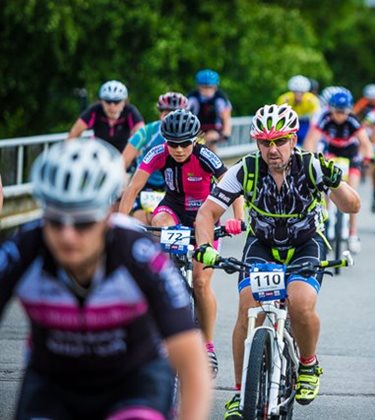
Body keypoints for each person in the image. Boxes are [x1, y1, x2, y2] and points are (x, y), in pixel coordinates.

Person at [0, 139, 211, 419]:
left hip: (134, 382)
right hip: (53, 383)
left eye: (84, 223)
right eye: (54, 221)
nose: (67, 235)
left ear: (107, 217)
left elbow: (191, 362)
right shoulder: (24, 248)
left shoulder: (139, 254)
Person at [193, 104, 361, 419]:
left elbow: (352, 206)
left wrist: (336, 181)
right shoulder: (246, 169)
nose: (273, 149)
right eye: (265, 142)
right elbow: (207, 213)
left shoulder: (311, 166)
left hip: (305, 245)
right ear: (257, 143)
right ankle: (242, 393)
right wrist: (204, 247)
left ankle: (308, 364)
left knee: (300, 303)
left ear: (293, 139)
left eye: (280, 141)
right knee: (247, 307)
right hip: (263, 245)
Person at [119, 109, 244, 378]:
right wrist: (119, 222)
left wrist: (238, 219)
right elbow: (132, 190)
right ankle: (165, 279)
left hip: (204, 216)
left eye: (185, 143)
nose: (178, 149)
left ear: (196, 139)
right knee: (159, 222)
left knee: (200, 282)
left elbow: (233, 187)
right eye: (172, 143)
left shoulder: (205, 155)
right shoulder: (158, 153)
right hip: (173, 208)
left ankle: (207, 345)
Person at [303, 90, 374, 253]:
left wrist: (368, 157)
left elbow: (365, 142)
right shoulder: (324, 118)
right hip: (332, 152)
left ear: (349, 110)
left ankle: (352, 234)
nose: (340, 115)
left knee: (352, 193)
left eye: (344, 111)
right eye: (337, 111)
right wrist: (309, 157)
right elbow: (311, 140)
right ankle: (325, 221)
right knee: (325, 189)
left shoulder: (353, 121)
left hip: (351, 155)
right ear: (331, 109)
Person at [121, 92, 189, 224]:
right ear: (160, 113)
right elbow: (124, 161)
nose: (171, 117)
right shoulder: (147, 132)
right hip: (146, 183)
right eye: (166, 113)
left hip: (173, 185)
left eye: (175, 113)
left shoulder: (190, 134)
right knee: (139, 220)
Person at [67, 80, 144, 152]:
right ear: (101, 101)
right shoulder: (95, 110)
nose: (112, 106)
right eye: (108, 101)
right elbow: (73, 134)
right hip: (100, 154)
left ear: (124, 102)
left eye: (116, 102)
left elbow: (142, 136)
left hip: (123, 155)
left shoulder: (130, 111)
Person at [188, 68, 233, 153]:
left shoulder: (220, 99)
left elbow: (226, 116)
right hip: (196, 129)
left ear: (215, 87)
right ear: (198, 87)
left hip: (214, 129)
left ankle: (214, 162)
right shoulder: (192, 98)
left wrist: (226, 132)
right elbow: (184, 111)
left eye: (210, 87)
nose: (207, 91)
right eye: (204, 87)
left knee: (210, 139)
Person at [276, 75, 321, 145]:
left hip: (306, 122)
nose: (298, 95)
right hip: (290, 122)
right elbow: (278, 117)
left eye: (301, 93)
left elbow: (317, 117)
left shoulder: (312, 100)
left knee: (308, 138)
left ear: (305, 92)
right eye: (295, 92)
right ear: (292, 91)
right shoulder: (284, 99)